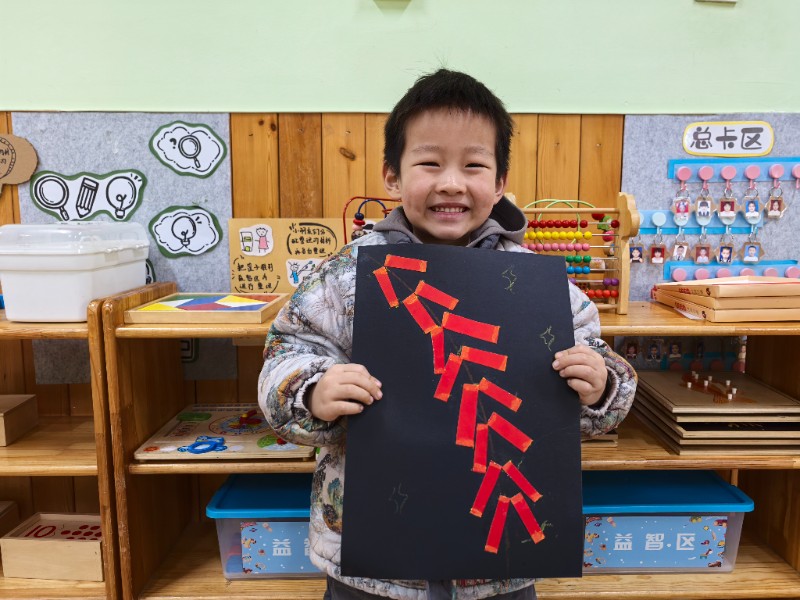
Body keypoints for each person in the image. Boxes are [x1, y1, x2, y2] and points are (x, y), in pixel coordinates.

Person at [259, 69, 636, 600]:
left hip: (501, 567)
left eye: (474, 165)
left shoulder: (536, 283)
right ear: (392, 176)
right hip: (371, 564)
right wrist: (313, 390)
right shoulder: (346, 276)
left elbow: (598, 360)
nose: (452, 183)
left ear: (500, 182)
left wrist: (600, 385)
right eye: (430, 163)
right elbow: (286, 351)